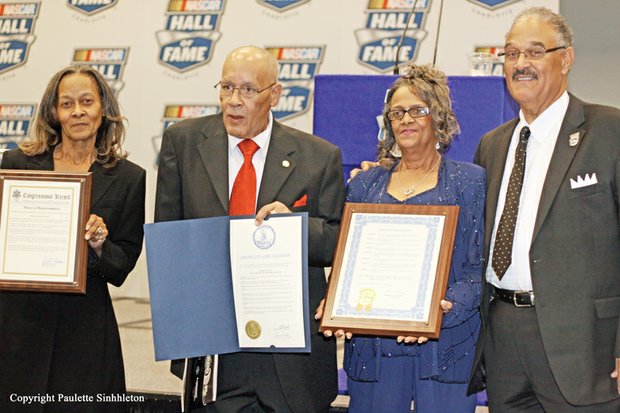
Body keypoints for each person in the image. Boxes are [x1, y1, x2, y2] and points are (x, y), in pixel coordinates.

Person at [154, 45, 345, 413]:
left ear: (274, 94)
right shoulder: (184, 143)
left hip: (289, 356)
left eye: (247, 90)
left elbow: (338, 241)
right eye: (226, 87)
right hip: (215, 348)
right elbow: (170, 241)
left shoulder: (318, 156)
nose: (233, 101)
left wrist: (293, 230)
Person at [466, 7, 620, 412]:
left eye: (535, 52)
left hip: (585, 348)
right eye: (512, 54)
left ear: (565, 58)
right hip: (504, 341)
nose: (521, 64)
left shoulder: (610, 131)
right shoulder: (493, 145)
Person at [325, 64, 485, 413]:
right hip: (374, 351)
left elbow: (480, 268)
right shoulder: (363, 185)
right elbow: (347, 261)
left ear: (438, 117)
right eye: (397, 112)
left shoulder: (470, 183)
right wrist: (337, 300)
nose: (406, 119)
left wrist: (444, 308)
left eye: (418, 110)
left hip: (446, 348)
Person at [0, 65, 146, 412]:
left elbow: (122, 266)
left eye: (86, 101)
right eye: (67, 103)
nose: (77, 111)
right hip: (19, 326)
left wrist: (98, 244)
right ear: (53, 111)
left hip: (85, 332)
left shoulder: (129, 178)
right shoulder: (16, 164)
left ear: (103, 109)